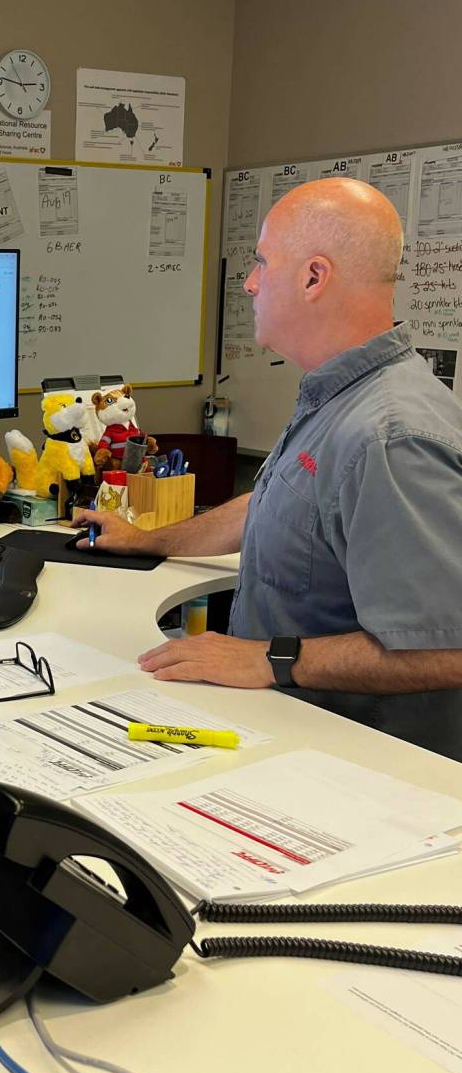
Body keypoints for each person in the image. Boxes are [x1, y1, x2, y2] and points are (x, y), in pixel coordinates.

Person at [74, 178, 462, 757]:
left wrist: (269, 657)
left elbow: (446, 648)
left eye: (261, 262)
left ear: (313, 277)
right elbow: (277, 505)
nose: (250, 282)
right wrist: (149, 540)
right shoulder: (339, 397)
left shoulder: (388, 435)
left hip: (356, 765)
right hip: (285, 729)